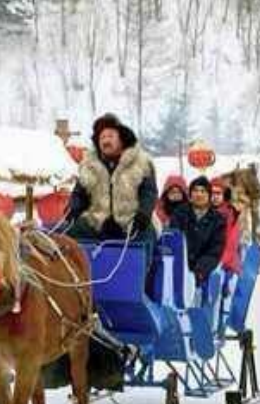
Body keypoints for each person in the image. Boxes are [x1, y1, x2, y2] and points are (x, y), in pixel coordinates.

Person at [63, 113, 158, 260]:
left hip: (132, 221)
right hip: (98, 222)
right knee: (67, 237)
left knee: (145, 236)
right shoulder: (89, 166)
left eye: (110, 136)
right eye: (102, 137)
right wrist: (73, 207)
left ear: (121, 139)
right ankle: (75, 277)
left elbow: (149, 193)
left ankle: (141, 280)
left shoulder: (141, 162)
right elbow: (79, 193)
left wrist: (143, 214)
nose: (106, 141)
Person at [170, 176, 227, 289]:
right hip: (178, 268)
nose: (199, 194)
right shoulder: (179, 213)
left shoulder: (218, 220)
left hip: (202, 273)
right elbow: (173, 240)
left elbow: (214, 251)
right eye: (195, 190)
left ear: (209, 196)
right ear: (190, 195)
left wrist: (199, 271)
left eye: (203, 191)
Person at [211, 178, 242, 275]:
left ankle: (225, 282)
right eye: (212, 193)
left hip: (227, 262)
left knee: (222, 274)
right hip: (207, 260)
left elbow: (231, 242)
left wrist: (221, 261)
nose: (215, 197)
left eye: (218, 193)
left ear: (224, 195)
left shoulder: (230, 214)